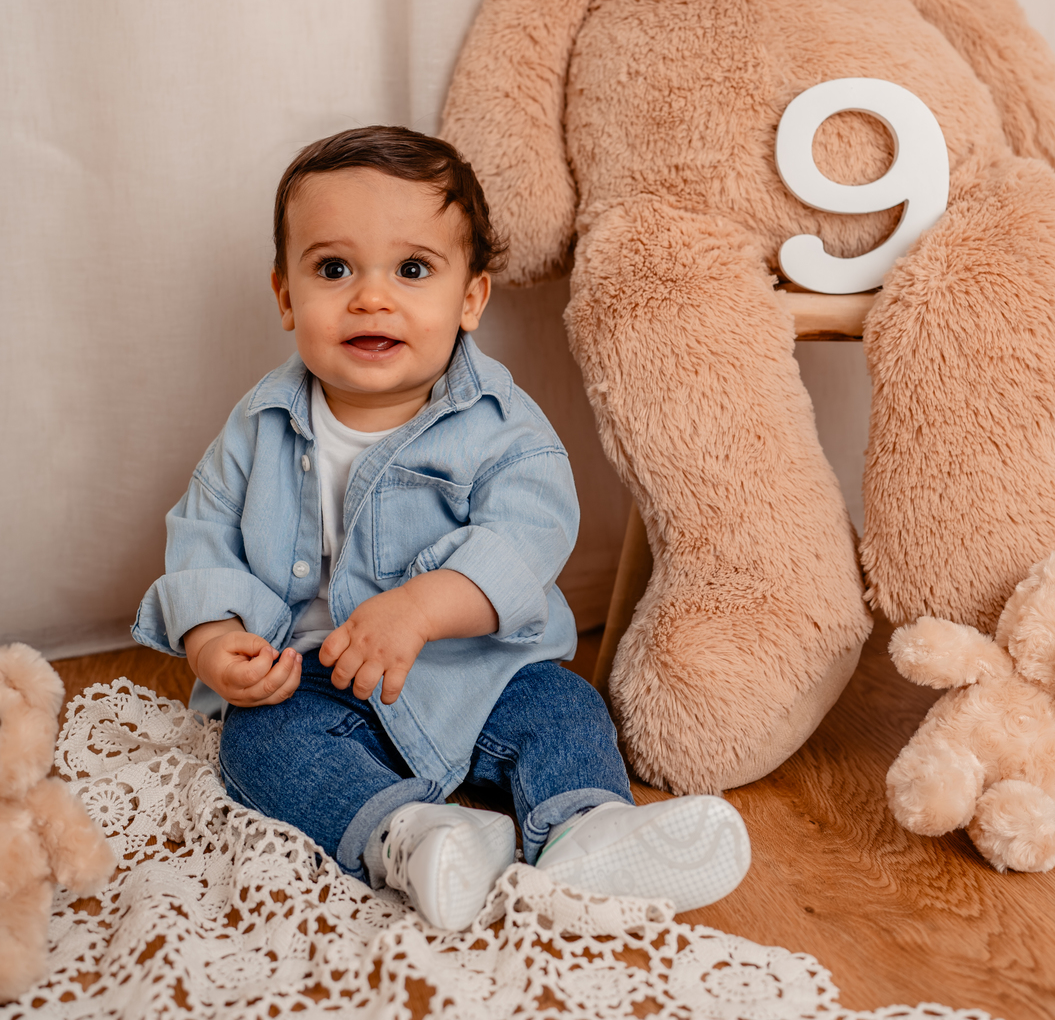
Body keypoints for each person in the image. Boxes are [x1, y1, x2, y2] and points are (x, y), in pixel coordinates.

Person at [134, 126, 750, 929]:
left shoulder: (500, 427)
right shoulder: (258, 426)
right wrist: (214, 637)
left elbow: (528, 534)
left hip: (477, 672)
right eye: (334, 269)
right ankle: (409, 836)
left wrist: (424, 608)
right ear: (286, 296)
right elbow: (204, 531)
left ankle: (586, 827)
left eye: (413, 269)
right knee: (259, 743)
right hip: (315, 675)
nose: (371, 298)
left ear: (470, 299)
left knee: (562, 707)